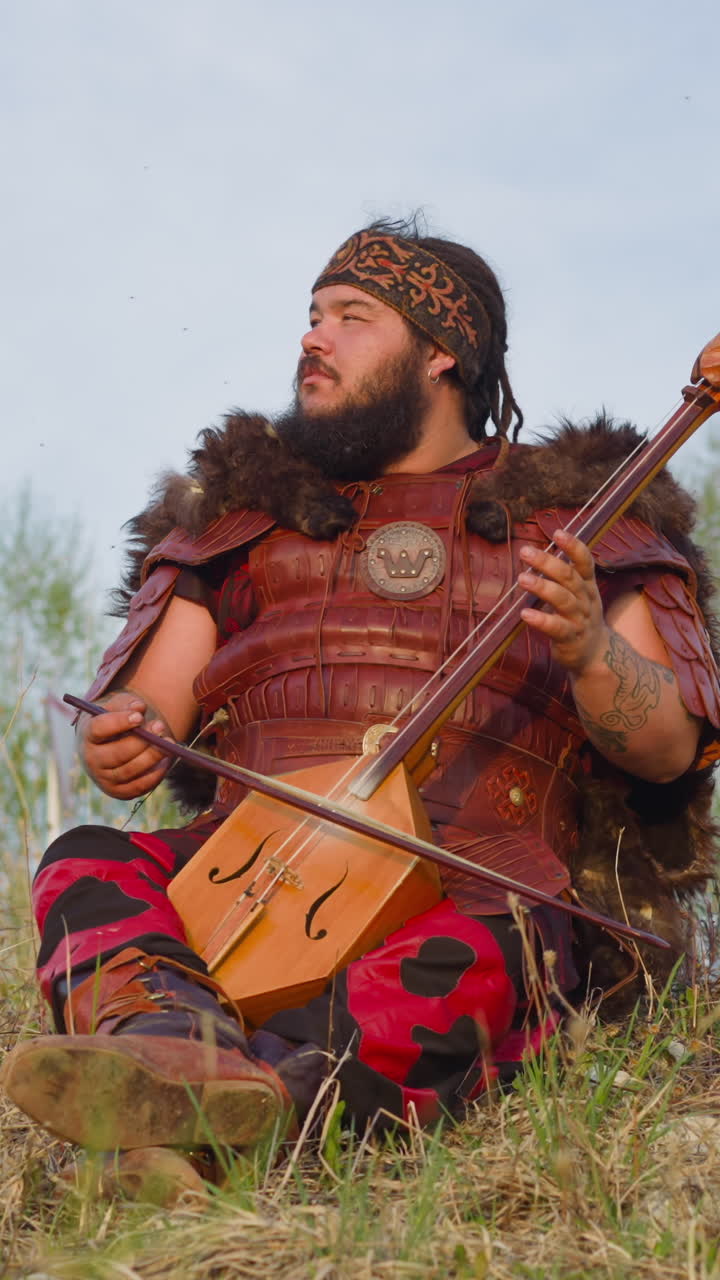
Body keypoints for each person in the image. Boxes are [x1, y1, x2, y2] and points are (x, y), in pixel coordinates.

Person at [3, 220, 720, 1194]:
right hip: (253, 872)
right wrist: (125, 736)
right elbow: (147, 703)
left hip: (479, 882)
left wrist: (591, 647)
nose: (314, 337)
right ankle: (168, 1048)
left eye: (351, 317)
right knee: (84, 860)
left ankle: (250, 1108)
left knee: (478, 953)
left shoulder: (588, 516)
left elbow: (670, 746)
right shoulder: (241, 519)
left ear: (443, 353)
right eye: (311, 315)